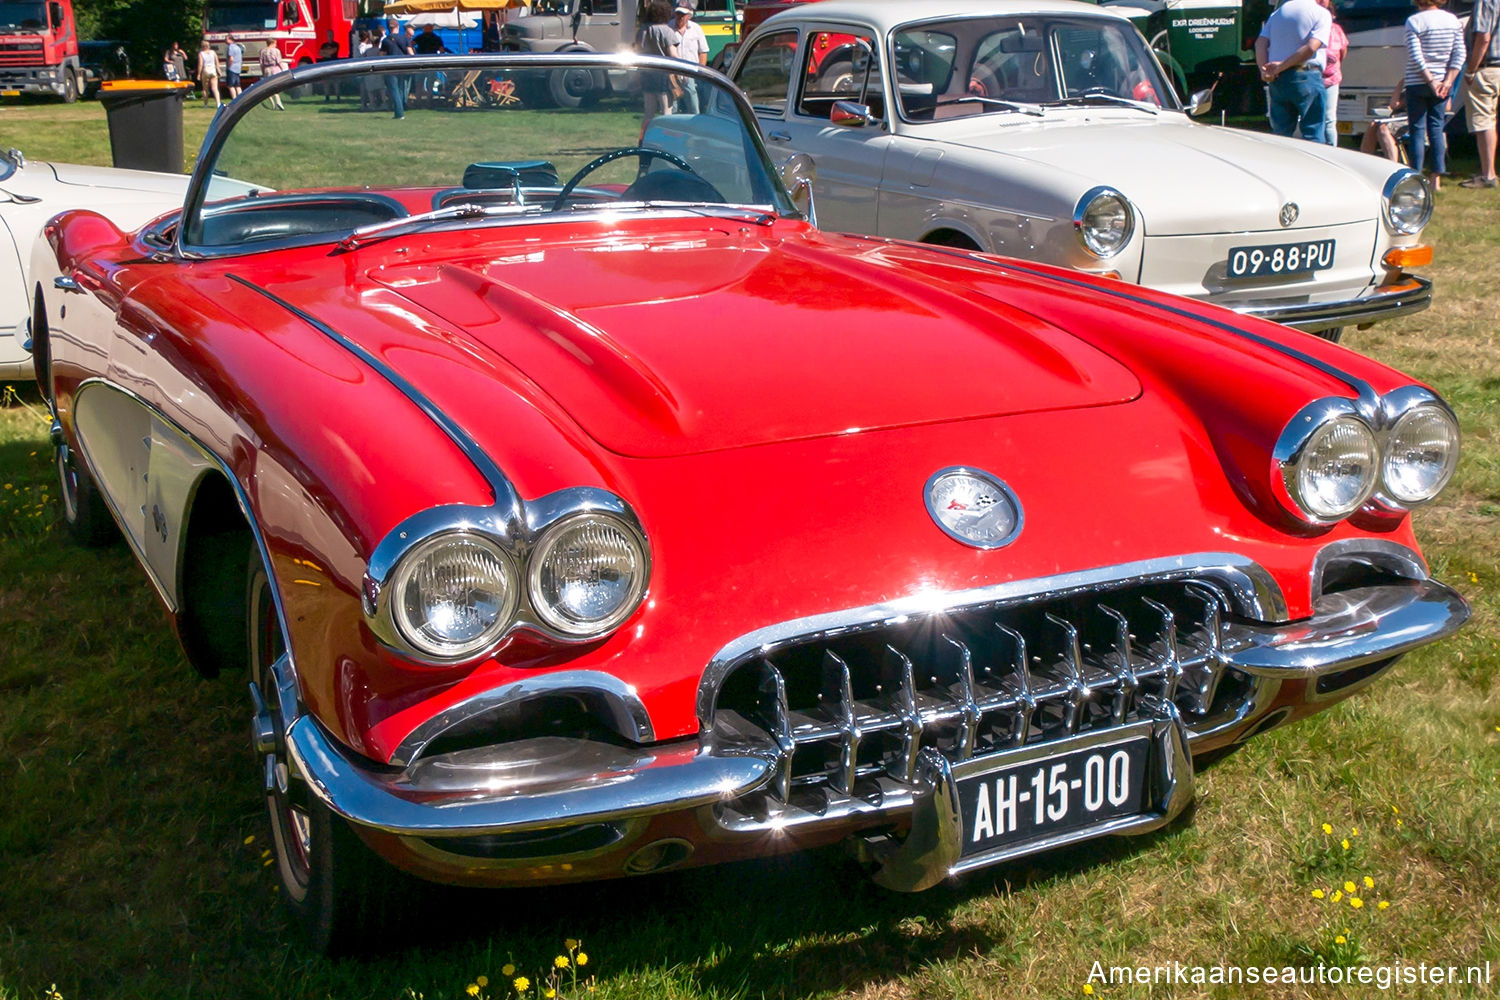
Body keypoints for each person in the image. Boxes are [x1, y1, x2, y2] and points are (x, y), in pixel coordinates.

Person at [1403, 0, 1466, 190]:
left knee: (1417, 129)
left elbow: (1415, 56)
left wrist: (1431, 81)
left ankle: (1416, 176)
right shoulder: (1452, 20)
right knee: (1437, 128)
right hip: (1443, 84)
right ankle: (1436, 179)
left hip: (1417, 82)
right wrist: (1447, 81)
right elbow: (1460, 54)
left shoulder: (1414, 21)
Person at [1256, 0, 1332, 141]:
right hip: (1306, 76)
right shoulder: (1321, 13)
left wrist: (1264, 70)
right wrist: (1281, 65)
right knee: (1313, 132)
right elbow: (1311, 47)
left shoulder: (1278, 13)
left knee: (1280, 134)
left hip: (1278, 80)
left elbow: (1260, 43)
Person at [1461, 0, 1500, 187]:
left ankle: (1488, 175)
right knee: (1490, 119)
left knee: (1483, 121)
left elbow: (1483, 37)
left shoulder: (1486, 1)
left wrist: (1470, 69)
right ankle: (1490, 172)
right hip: (1497, 69)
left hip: (1485, 68)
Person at [637, 0, 680, 126]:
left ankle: (643, 138)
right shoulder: (667, 31)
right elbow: (673, 54)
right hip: (663, 75)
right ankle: (665, 139)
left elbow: (638, 50)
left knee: (648, 112)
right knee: (666, 110)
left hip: (647, 74)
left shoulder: (643, 30)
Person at [1317, 0, 1348, 144]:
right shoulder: (1313, 28)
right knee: (1313, 119)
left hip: (1331, 80)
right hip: (1313, 78)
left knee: (1329, 119)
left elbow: (1342, 52)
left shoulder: (1337, 30)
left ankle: (1331, 150)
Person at [672, 3, 708, 113]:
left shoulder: (696, 29)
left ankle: (695, 122)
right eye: (678, 13)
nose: (680, 17)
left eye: (683, 14)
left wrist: (700, 71)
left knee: (692, 99)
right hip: (672, 71)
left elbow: (703, 52)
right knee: (673, 104)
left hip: (691, 72)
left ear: (689, 15)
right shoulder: (668, 28)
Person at [379, 17, 413, 119]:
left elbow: (381, 55)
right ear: (397, 26)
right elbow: (411, 53)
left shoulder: (386, 40)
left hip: (390, 67)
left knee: (394, 90)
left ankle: (399, 113)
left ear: (389, 28)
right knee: (401, 89)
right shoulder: (405, 39)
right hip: (402, 66)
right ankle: (401, 109)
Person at [258, 38, 287, 109]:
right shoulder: (276, 51)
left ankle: (273, 103)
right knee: (276, 86)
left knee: (269, 86)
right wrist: (283, 69)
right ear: (272, 43)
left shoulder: (263, 51)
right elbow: (279, 61)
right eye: (275, 43)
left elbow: (261, 63)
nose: (276, 45)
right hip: (275, 69)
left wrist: (263, 72)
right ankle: (278, 101)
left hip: (267, 69)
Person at [197, 39, 222, 108]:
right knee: (215, 88)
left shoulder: (201, 53)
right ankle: (218, 103)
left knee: (205, 89)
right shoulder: (213, 52)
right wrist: (219, 71)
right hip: (213, 70)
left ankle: (205, 104)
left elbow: (200, 64)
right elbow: (217, 62)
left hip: (206, 71)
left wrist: (199, 74)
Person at [225, 34, 243, 100]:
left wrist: (228, 66)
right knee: (237, 85)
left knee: (230, 86)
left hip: (232, 68)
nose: (225, 41)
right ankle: (241, 98)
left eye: (226, 39)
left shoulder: (231, 47)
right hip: (238, 68)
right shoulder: (238, 47)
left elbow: (231, 58)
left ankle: (234, 99)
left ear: (230, 39)